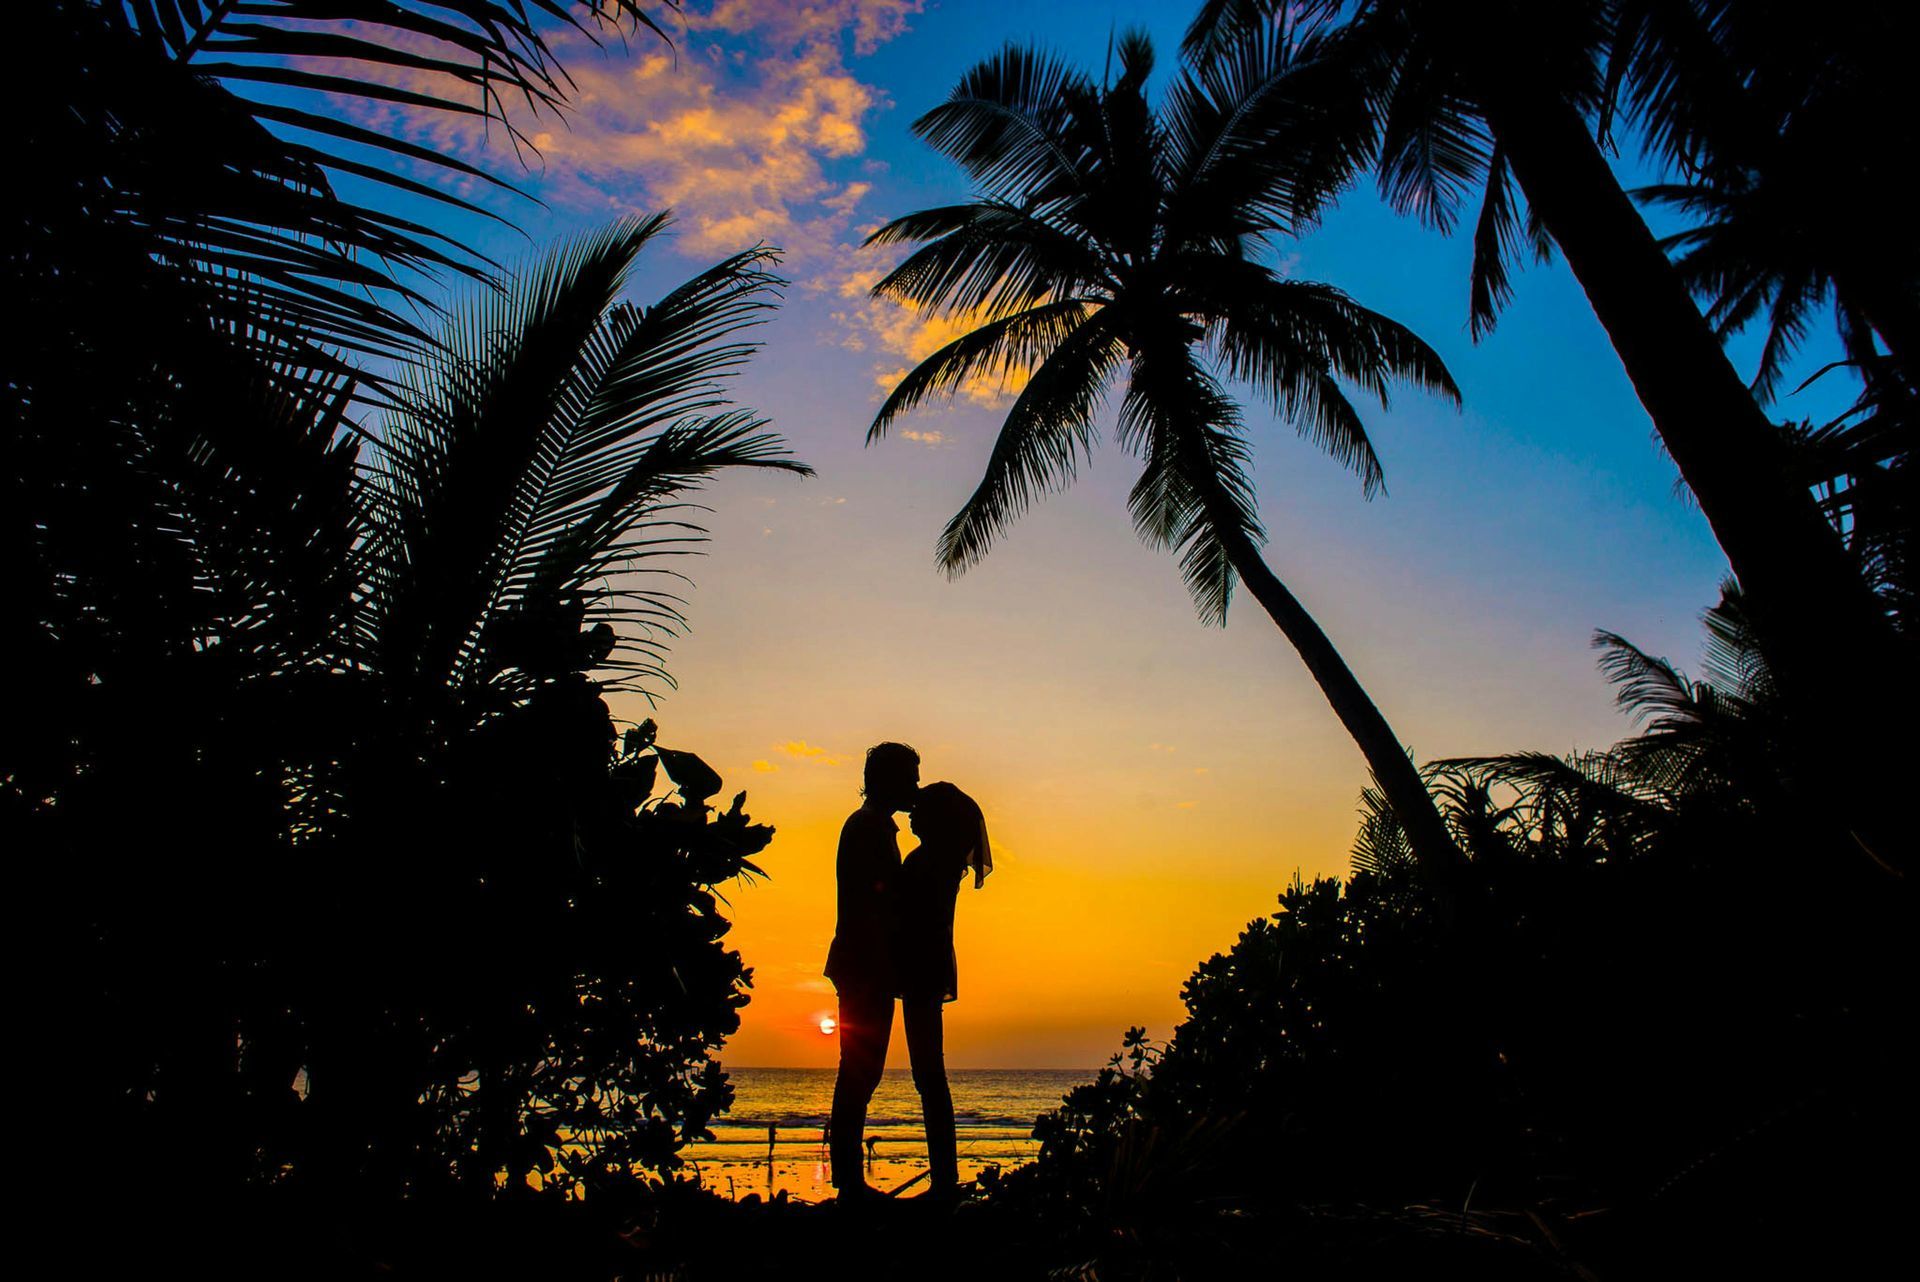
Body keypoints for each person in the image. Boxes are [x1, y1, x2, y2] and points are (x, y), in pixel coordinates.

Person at [824, 741, 920, 1201]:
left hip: (865, 963)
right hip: (864, 964)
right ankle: (847, 1181)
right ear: (889, 780)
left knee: (862, 1071)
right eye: (911, 776)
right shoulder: (868, 828)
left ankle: (847, 1179)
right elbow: (874, 904)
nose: (916, 786)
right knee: (859, 1070)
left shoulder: (875, 825)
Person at [892, 781, 992, 1201]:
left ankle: (945, 1181)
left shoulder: (930, 862)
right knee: (930, 1075)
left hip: (921, 970)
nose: (911, 814)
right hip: (927, 969)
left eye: (920, 810)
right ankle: (945, 1177)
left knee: (929, 1075)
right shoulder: (943, 861)